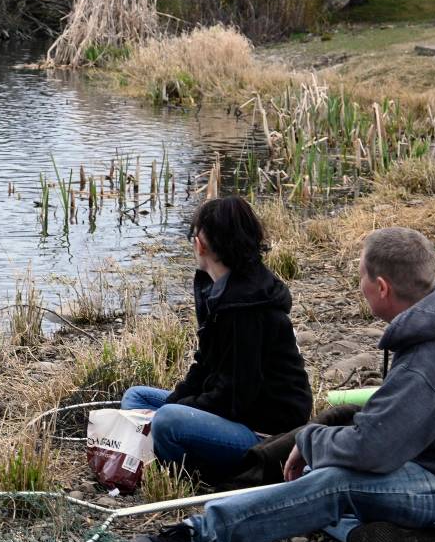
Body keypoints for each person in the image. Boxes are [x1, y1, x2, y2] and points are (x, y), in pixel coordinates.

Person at [127, 227, 435, 542]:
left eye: (361, 276)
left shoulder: (431, 360)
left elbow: (371, 450)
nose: (358, 285)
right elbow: (392, 420)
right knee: (317, 475)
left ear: (380, 287)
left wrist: (308, 439)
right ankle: (393, 534)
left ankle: (195, 538)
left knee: (333, 482)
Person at [121, 196, 312, 481]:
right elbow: (204, 364)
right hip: (235, 411)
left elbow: (235, 397)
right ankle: (147, 456)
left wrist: (177, 409)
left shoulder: (245, 307)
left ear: (201, 244)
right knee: (137, 398)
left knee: (167, 421)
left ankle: (196, 475)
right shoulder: (221, 287)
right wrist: (177, 398)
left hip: (265, 433)